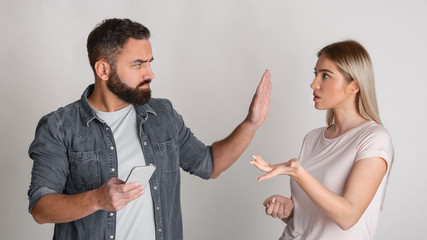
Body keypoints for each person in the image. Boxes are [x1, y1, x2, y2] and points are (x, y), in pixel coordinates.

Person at [28, 18, 271, 240]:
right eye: (137, 65)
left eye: (149, 63)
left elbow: (209, 165)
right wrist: (96, 199)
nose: (150, 73)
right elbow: (41, 207)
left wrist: (251, 124)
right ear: (103, 70)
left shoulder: (162, 115)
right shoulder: (60, 126)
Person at [250, 40, 393, 240]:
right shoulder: (312, 138)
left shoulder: (374, 138)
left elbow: (348, 216)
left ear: (354, 86)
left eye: (325, 75)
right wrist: (289, 210)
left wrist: (299, 173)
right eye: (315, 74)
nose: (314, 84)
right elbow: (312, 217)